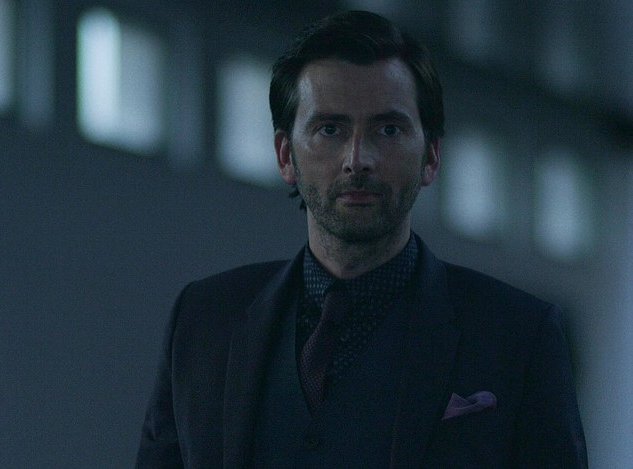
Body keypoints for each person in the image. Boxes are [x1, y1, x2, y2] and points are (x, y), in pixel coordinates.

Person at [136, 10, 587, 468]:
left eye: (388, 130)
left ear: (431, 156)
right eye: (329, 129)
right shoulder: (204, 320)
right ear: (285, 155)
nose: (358, 159)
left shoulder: (519, 336)